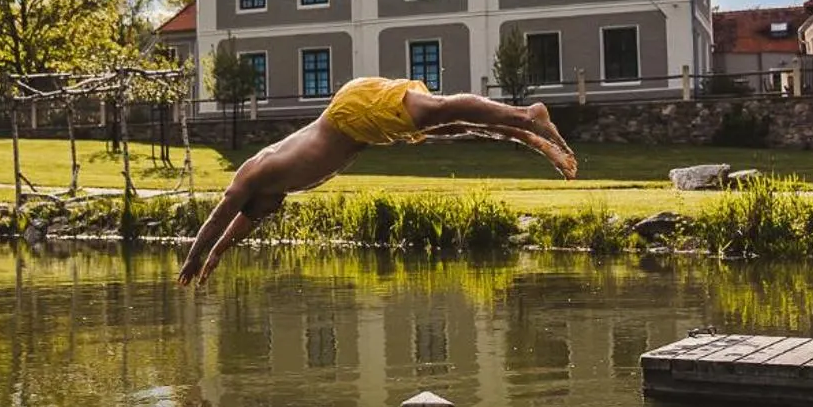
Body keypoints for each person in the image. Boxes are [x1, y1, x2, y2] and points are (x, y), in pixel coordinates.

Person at [177, 76, 576, 286]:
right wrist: (218, 254)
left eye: (266, 212)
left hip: (353, 114)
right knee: (447, 125)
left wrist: (195, 256)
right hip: (363, 128)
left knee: (437, 111)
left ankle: (526, 115)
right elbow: (240, 225)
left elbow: (222, 213)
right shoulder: (272, 190)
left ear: (257, 199)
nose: (272, 213)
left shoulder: (255, 174)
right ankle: (529, 136)